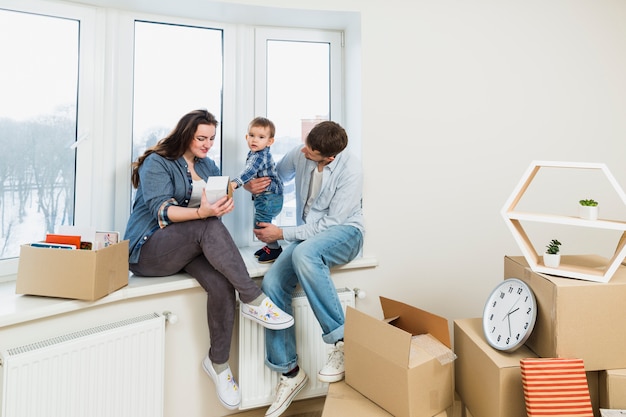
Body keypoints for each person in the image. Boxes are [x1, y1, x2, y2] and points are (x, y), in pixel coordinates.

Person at [123, 109, 294, 411]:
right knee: (207, 224)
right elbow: (162, 212)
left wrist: (241, 191)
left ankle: (218, 364)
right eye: (201, 138)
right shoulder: (158, 163)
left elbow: (216, 198)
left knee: (220, 283)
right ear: (185, 134)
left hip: (186, 247)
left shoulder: (207, 164)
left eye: (211, 138)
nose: (207, 144)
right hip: (149, 250)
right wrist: (204, 214)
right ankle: (255, 300)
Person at [244, 121, 364, 417]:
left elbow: (331, 224)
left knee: (306, 254)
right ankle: (290, 372)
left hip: (346, 232)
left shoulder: (351, 171)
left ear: (329, 157)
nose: (303, 152)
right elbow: (276, 175)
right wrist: (253, 184)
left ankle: (342, 341)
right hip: (309, 236)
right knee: (272, 283)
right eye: (306, 145)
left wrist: (281, 234)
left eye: (311, 151)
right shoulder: (302, 153)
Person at [230, 117, 284, 263]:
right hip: (268, 197)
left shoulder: (260, 156)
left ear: (270, 141)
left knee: (260, 225)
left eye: (261, 137)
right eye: (252, 136)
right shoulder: (256, 153)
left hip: (270, 198)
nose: (255, 140)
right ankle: (270, 247)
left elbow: (249, 171)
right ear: (246, 137)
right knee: (261, 222)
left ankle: (274, 249)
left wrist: (234, 184)